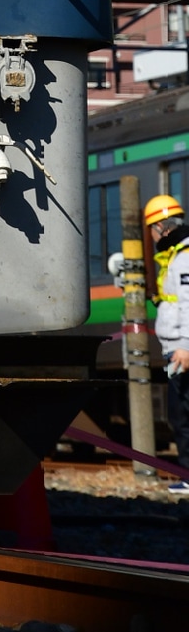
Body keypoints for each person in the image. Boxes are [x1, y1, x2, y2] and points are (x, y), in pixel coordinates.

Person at [146, 192, 189, 496]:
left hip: (183, 350)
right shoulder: (175, 256)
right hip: (177, 346)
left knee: (183, 414)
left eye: (151, 230)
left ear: (162, 227)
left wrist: (186, 345)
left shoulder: (183, 257)